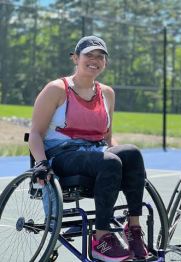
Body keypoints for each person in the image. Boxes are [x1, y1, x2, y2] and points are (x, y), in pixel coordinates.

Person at [29, 35, 148, 261]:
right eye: (88, 55)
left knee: (131, 152)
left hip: (95, 152)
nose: (94, 60)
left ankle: (133, 229)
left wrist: (133, 169)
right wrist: (41, 164)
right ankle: (101, 239)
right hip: (62, 155)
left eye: (100, 57)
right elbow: (35, 134)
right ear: (75, 58)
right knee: (110, 161)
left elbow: (109, 138)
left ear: (105, 63)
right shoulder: (56, 89)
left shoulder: (107, 93)